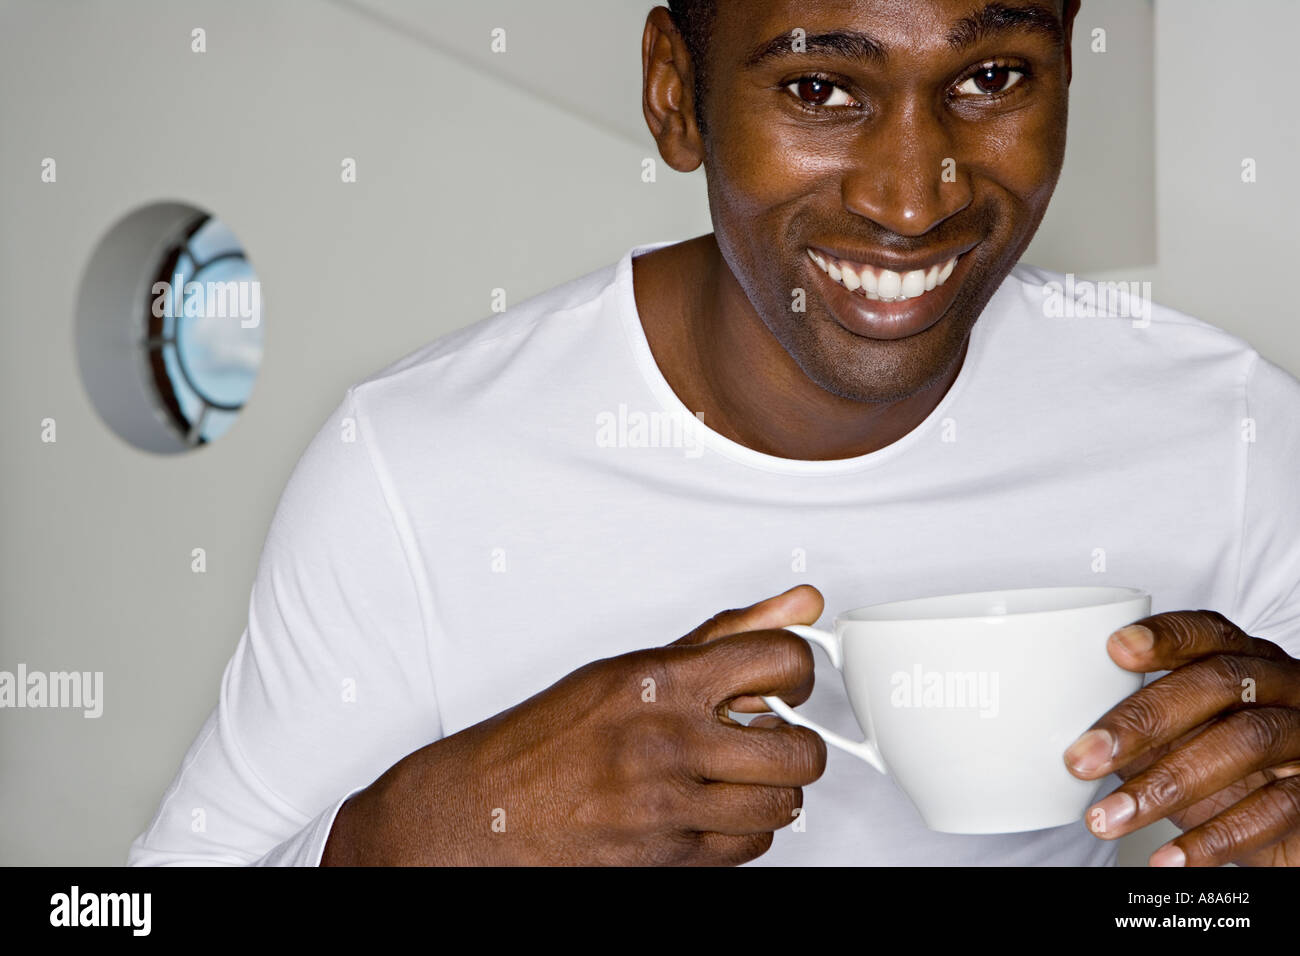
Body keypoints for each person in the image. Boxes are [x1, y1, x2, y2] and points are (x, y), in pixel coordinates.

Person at [128, 0, 1300, 866]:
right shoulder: (412, 464)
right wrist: (413, 836)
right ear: (675, 97)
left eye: (992, 75)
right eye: (819, 89)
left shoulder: (1228, 430)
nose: (913, 196)